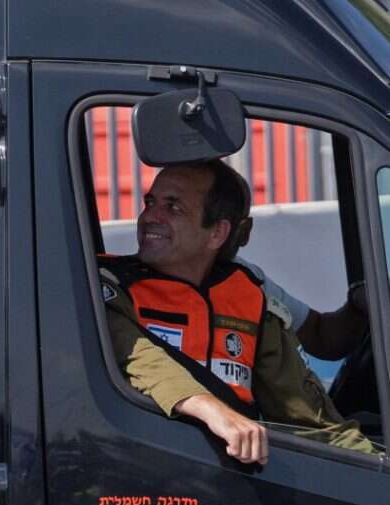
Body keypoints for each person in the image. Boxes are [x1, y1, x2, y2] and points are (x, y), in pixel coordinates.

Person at [99, 160, 374, 465]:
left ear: (217, 233)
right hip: (139, 470)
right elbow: (138, 355)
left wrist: (373, 466)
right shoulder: (108, 286)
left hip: (232, 481)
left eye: (173, 207)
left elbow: (306, 415)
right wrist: (211, 409)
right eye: (150, 202)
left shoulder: (249, 295)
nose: (150, 216)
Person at [221, 173, 369, 361]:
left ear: (243, 231)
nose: (170, 222)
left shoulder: (246, 279)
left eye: (176, 209)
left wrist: (359, 302)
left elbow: (320, 337)